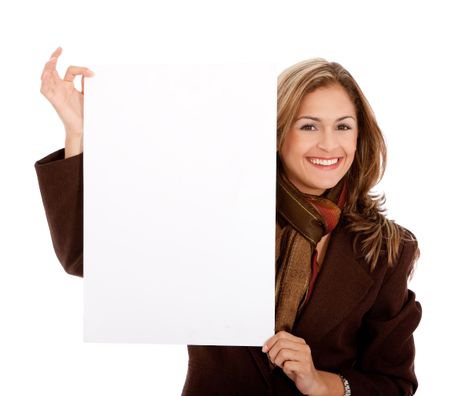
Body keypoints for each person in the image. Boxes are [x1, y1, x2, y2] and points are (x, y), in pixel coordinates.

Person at [35, 47, 422, 395]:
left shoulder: (388, 249)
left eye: (343, 126)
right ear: (275, 133)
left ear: (359, 136)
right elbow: (86, 256)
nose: (328, 143)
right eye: (308, 125)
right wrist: (79, 132)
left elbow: (395, 384)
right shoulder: (213, 209)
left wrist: (324, 383)